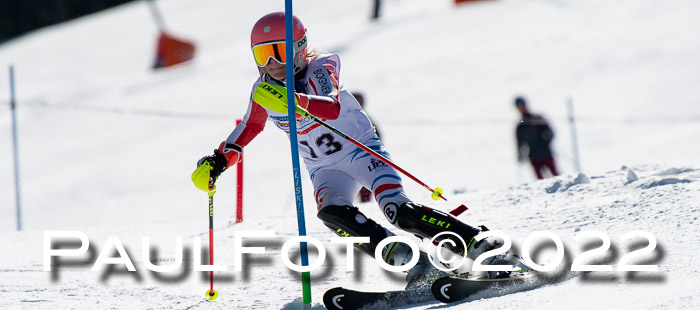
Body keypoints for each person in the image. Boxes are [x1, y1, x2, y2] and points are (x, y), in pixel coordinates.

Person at [194, 12, 519, 284]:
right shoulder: (262, 89)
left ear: (299, 47)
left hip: (362, 152)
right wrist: (219, 161)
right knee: (331, 213)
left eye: (279, 51)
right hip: (324, 169)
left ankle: (478, 242)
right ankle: (407, 260)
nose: (273, 63)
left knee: (398, 211)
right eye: (263, 55)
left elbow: (332, 106)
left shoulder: (321, 67)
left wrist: (296, 101)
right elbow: (250, 126)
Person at [514, 96, 560, 179]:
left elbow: (550, 133)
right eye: (518, 106)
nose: (520, 108)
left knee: (556, 176)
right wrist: (520, 155)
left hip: (545, 152)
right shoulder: (520, 126)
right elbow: (520, 142)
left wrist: (545, 143)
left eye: (521, 105)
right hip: (533, 155)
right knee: (540, 181)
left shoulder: (537, 118)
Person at [351, 92, 381, 203]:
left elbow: (377, 137)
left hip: (368, 156)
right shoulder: (346, 118)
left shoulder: (366, 119)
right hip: (349, 156)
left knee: (367, 183)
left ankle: (366, 203)